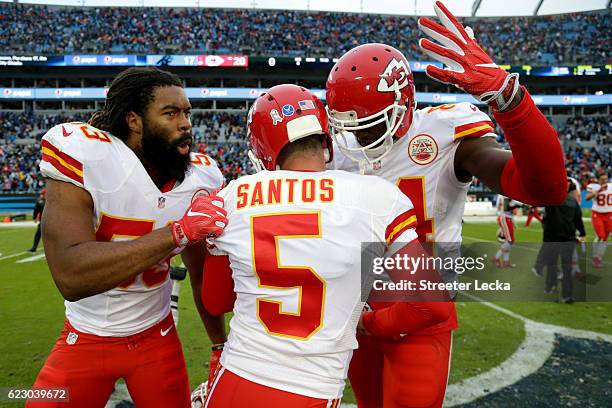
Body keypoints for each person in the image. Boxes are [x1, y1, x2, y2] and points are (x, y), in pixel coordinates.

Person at [325, 2, 568, 407]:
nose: (358, 140)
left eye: (369, 125)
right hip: (356, 310)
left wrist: (510, 101)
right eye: (348, 128)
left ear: (403, 106)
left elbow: (546, 189)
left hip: (421, 313)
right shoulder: (340, 148)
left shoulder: (443, 135)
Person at [199, 84, 452, 407]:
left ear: (262, 148)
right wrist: (369, 323)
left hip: (238, 377)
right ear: (325, 139)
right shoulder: (377, 197)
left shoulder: (233, 197)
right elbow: (432, 305)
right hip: (313, 387)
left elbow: (216, 301)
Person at [28, 67, 228, 408]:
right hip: (87, 335)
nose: (185, 124)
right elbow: (71, 275)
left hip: (156, 336)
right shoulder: (86, 154)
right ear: (134, 121)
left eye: (186, 112)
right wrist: (174, 233)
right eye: (170, 113)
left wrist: (219, 346)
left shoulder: (200, 178)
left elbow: (201, 276)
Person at [541, 181, 586, 303]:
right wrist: (582, 233)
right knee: (566, 268)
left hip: (554, 238)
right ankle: (566, 295)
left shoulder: (551, 200)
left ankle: (551, 288)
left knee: (553, 265)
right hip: (566, 238)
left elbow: (545, 220)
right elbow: (578, 220)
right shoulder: (572, 201)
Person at [585, 173, 610, 268]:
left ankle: (598, 257)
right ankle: (595, 256)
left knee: (605, 238)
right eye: (602, 179)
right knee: (600, 235)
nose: (604, 181)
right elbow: (587, 198)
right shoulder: (593, 186)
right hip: (597, 213)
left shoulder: (611, 186)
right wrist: (598, 190)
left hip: (609, 214)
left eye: (606, 179)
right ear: (598, 180)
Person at [493, 195, 521, 268]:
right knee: (510, 241)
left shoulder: (509, 196)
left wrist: (513, 222)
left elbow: (512, 212)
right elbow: (506, 208)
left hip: (507, 219)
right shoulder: (506, 195)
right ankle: (496, 258)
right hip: (504, 219)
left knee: (508, 241)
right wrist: (517, 205)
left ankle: (506, 261)